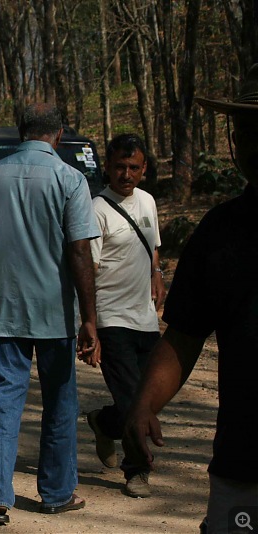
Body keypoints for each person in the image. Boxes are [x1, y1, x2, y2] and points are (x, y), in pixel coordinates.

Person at [123, 64, 258, 533]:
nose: (249, 143)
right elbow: (183, 337)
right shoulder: (221, 231)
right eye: (243, 130)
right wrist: (144, 406)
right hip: (246, 467)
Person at [0, 103, 100, 525]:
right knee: (59, 402)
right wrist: (89, 317)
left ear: (21, 133)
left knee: (3, 402)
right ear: (58, 135)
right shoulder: (70, 179)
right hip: (54, 313)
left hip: (4, 311)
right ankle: (56, 493)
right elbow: (80, 251)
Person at [86, 133, 166, 498]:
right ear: (108, 166)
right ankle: (137, 471)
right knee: (135, 400)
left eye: (134, 167)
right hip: (111, 319)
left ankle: (103, 422)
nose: (126, 174)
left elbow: (152, 249)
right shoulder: (97, 208)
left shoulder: (148, 202)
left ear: (144, 169)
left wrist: (158, 275)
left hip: (146, 320)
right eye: (119, 166)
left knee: (148, 399)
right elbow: (87, 269)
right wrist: (89, 325)